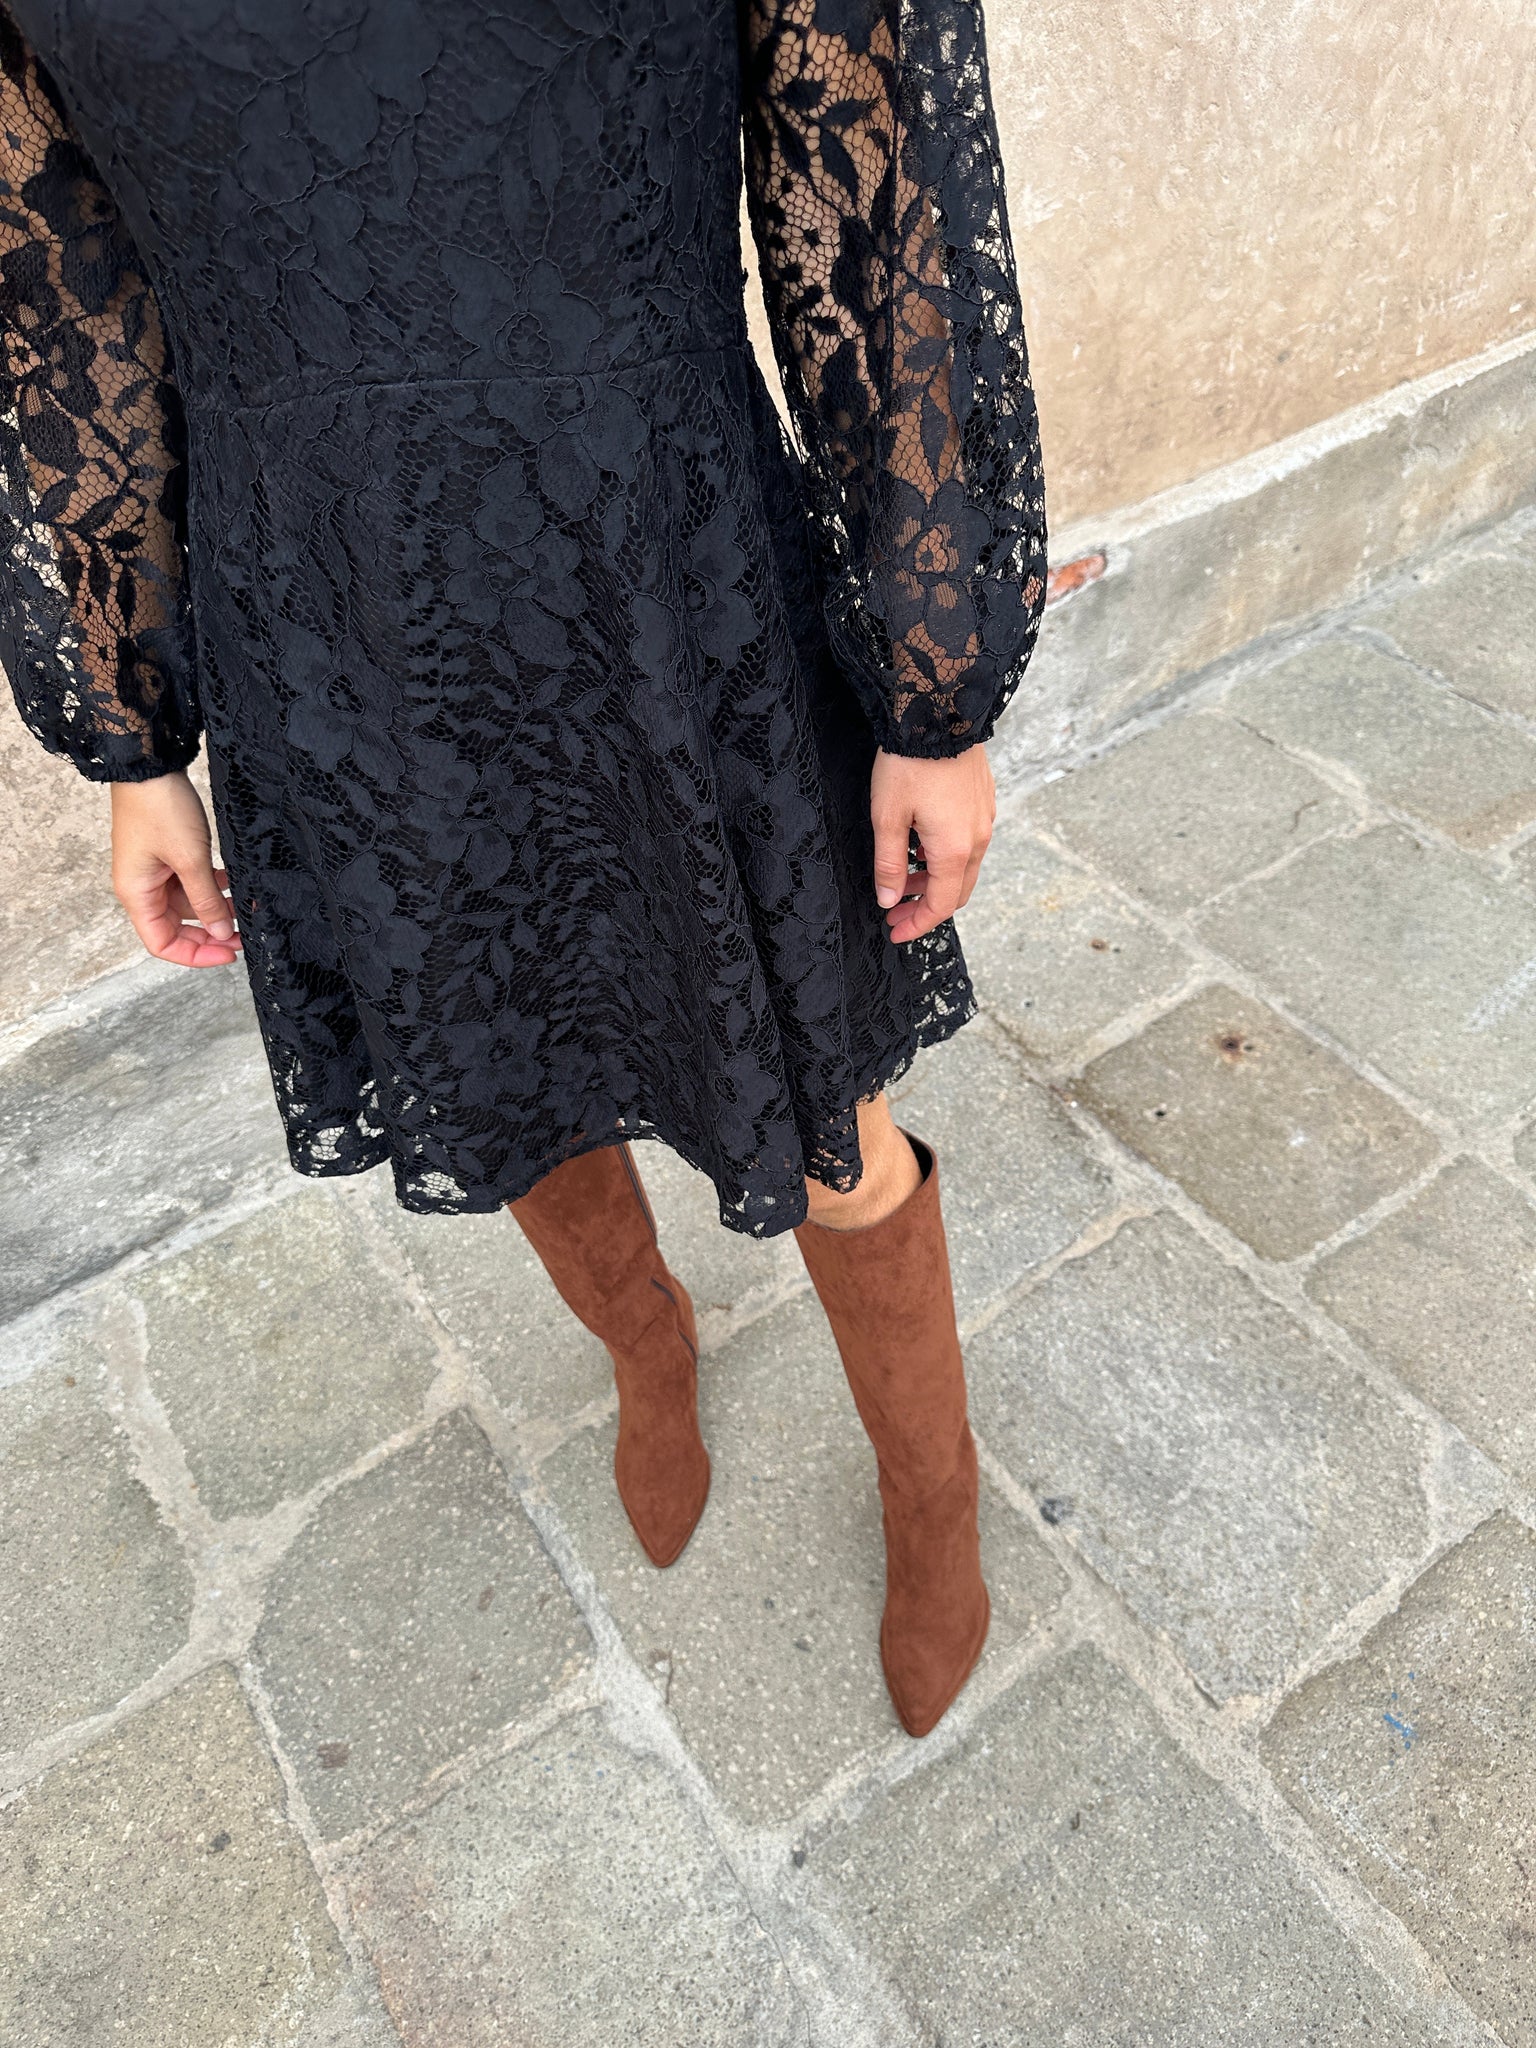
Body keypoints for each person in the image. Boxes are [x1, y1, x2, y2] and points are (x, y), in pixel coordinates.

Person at [0, 0, 1046, 1737]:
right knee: (500, 1057)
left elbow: (874, 194)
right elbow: (60, 302)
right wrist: (134, 732)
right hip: (329, 616)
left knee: (825, 1102)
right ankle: (647, 1344)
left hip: (670, 569)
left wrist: (932, 682)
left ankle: (934, 1492)